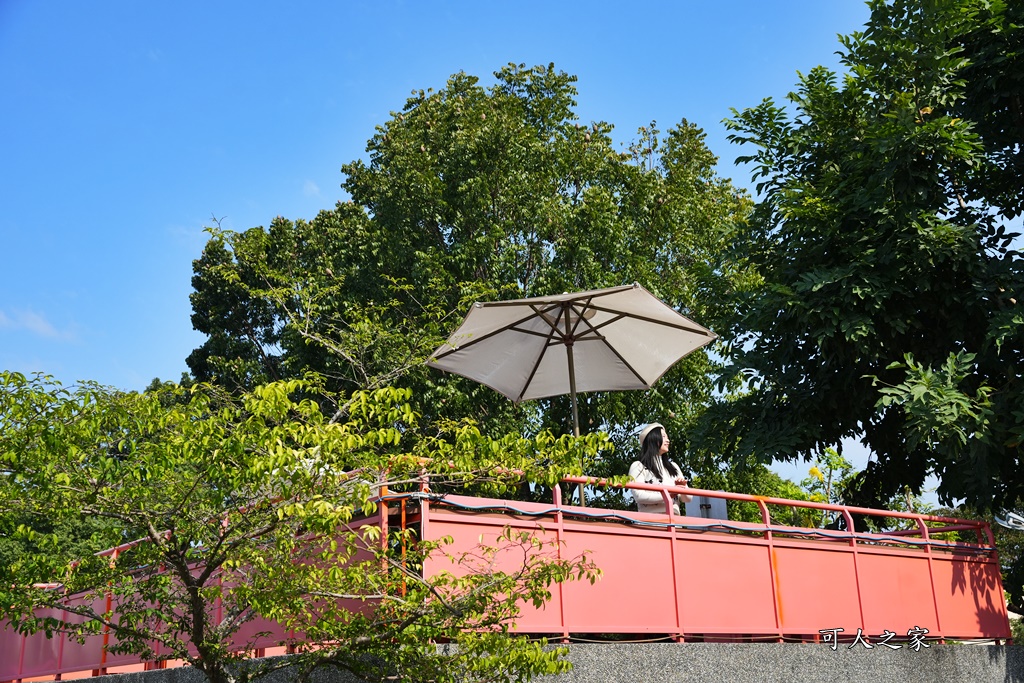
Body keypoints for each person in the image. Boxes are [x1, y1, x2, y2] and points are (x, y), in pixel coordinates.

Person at [629, 422, 692, 514]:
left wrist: (682, 488)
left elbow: (688, 499)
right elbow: (639, 495)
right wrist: (668, 495)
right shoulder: (638, 466)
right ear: (653, 439)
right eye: (663, 437)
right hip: (650, 522)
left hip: (674, 521)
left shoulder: (673, 467)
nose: (668, 440)